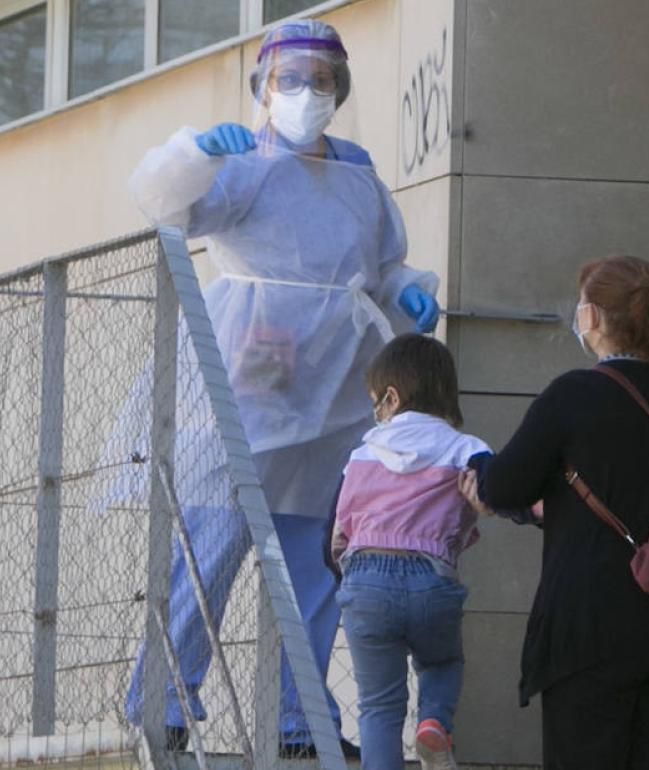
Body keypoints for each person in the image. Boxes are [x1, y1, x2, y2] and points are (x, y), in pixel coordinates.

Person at [124, 18, 441, 758]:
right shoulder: (245, 163)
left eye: (321, 79)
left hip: (334, 389)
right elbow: (163, 206)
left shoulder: (357, 171)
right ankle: (160, 696)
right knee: (214, 540)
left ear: (341, 89)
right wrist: (192, 155)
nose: (305, 92)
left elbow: (380, 262)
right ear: (263, 89)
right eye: (288, 79)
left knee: (316, 555)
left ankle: (300, 718)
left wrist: (408, 292)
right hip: (249, 378)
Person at [459, 255, 649, 769]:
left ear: (595, 318)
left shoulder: (575, 394)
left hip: (593, 627)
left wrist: (480, 474)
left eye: (582, 303)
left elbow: (506, 482)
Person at [332, 334, 537, 770]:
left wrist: (346, 579)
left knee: (379, 707)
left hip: (365, 582)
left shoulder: (362, 454)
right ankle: (433, 722)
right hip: (430, 579)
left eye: (375, 402)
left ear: (390, 397)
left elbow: (336, 535)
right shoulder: (466, 449)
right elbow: (503, 491)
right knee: (441, 661)